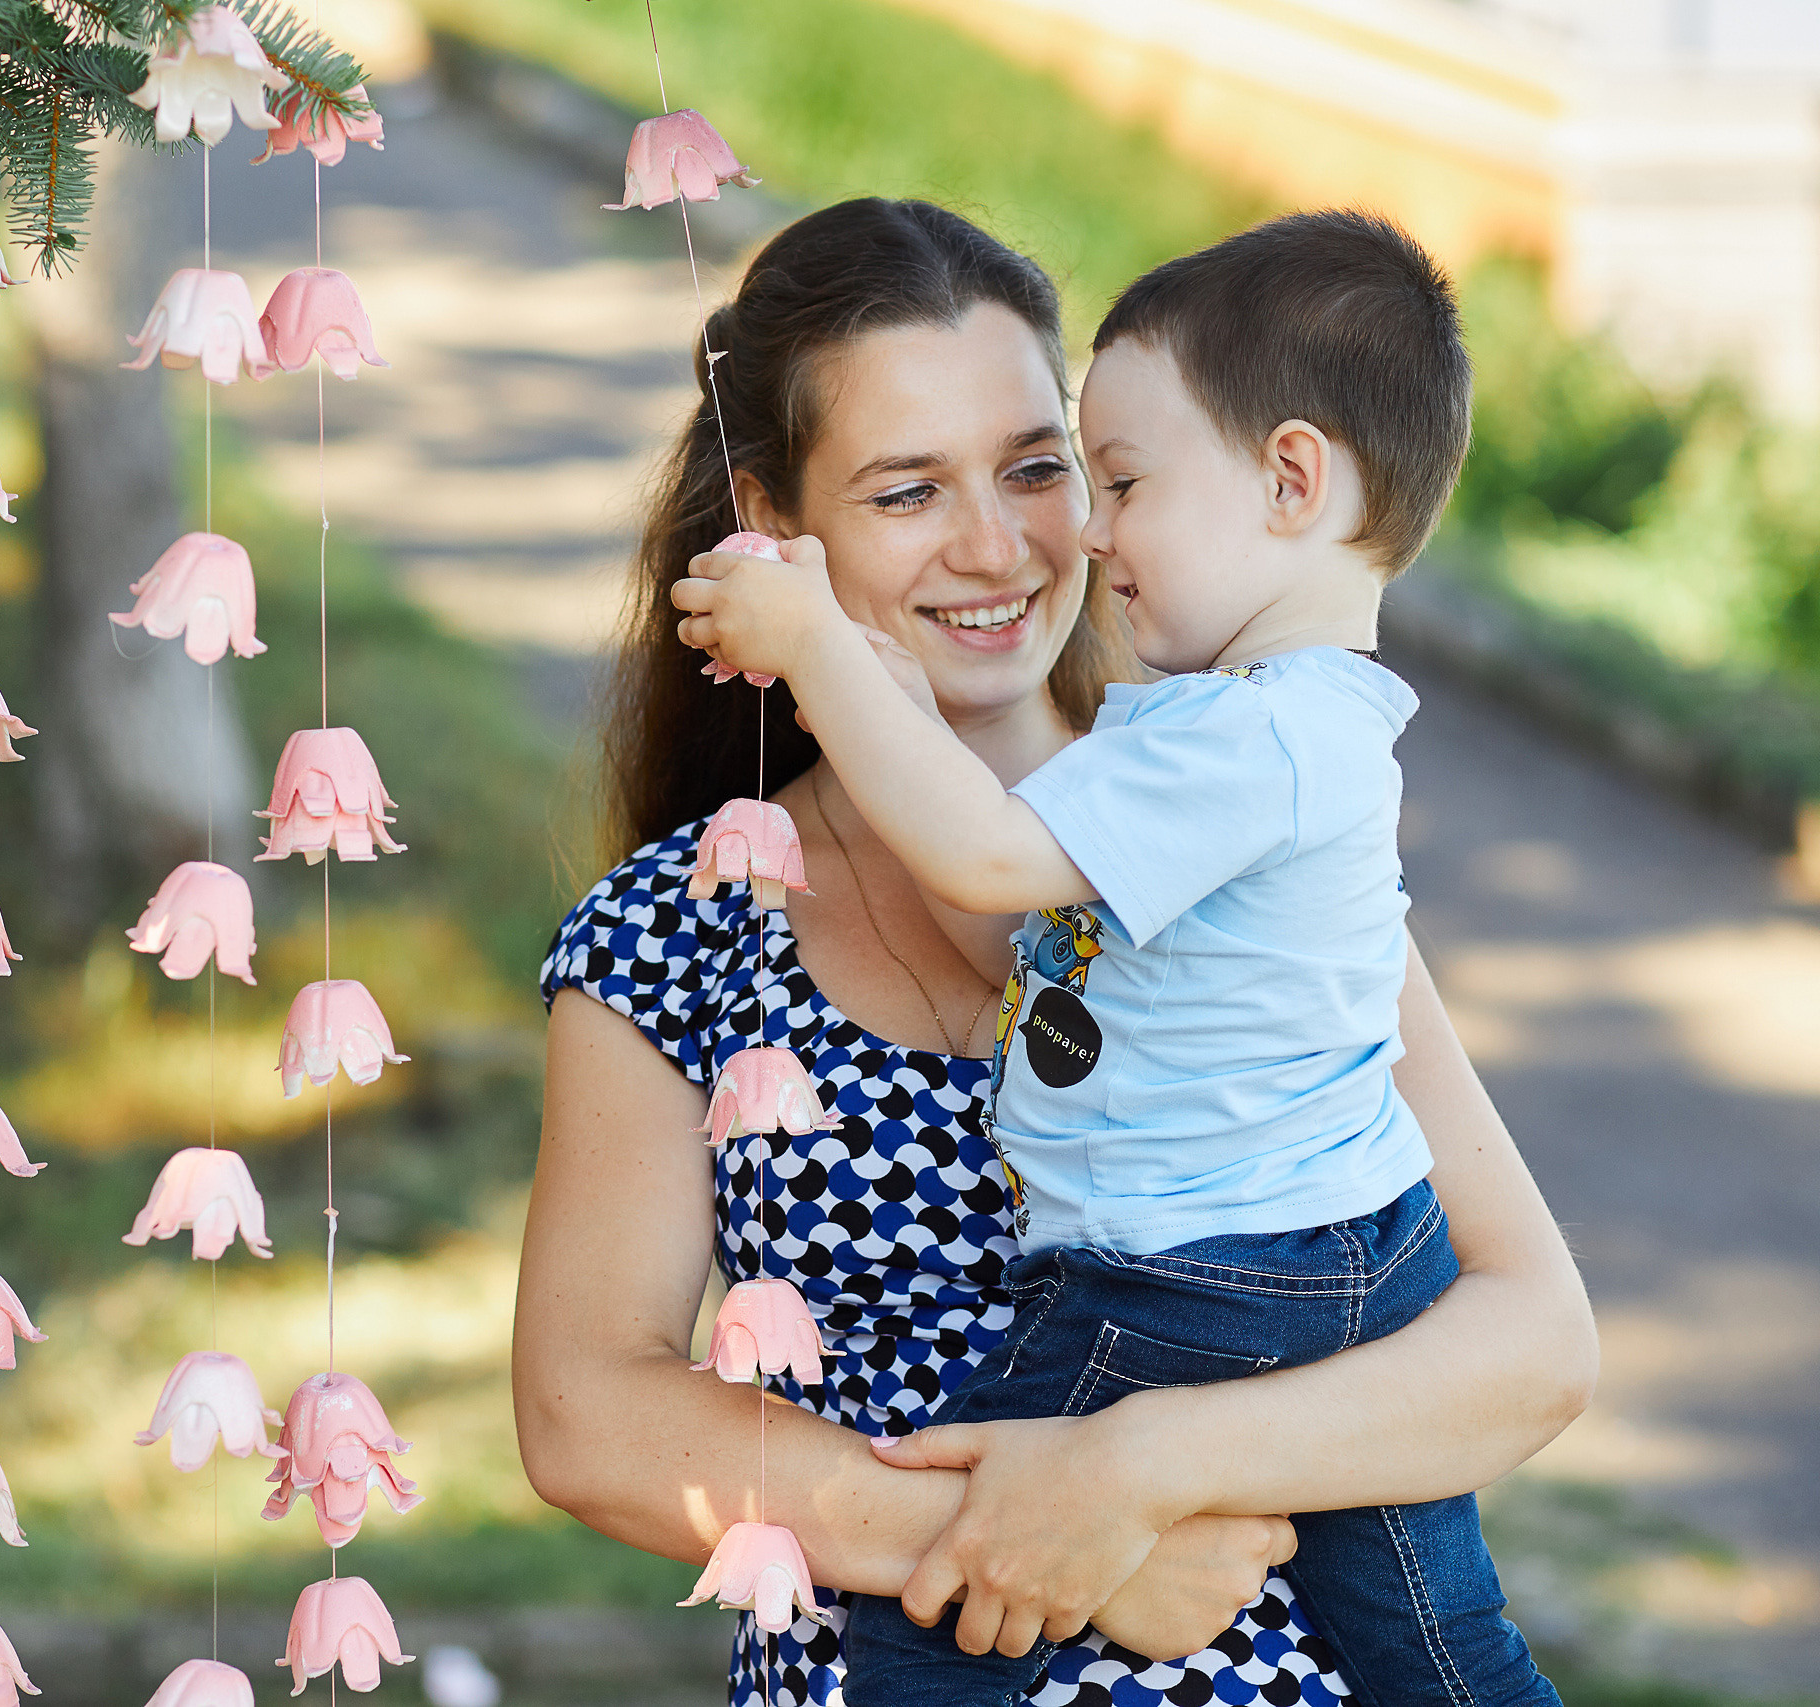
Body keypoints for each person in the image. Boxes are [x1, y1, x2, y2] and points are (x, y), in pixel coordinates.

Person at [519, 198, 1595, 1707]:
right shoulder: (676, 931)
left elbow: (1531, 1344)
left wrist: (1142, 1470)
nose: (1001, 544)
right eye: (907, 491)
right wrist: (1007, 1537)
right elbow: (587, 1412)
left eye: (1042, 468)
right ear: (773, 525)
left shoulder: (1241, 848)